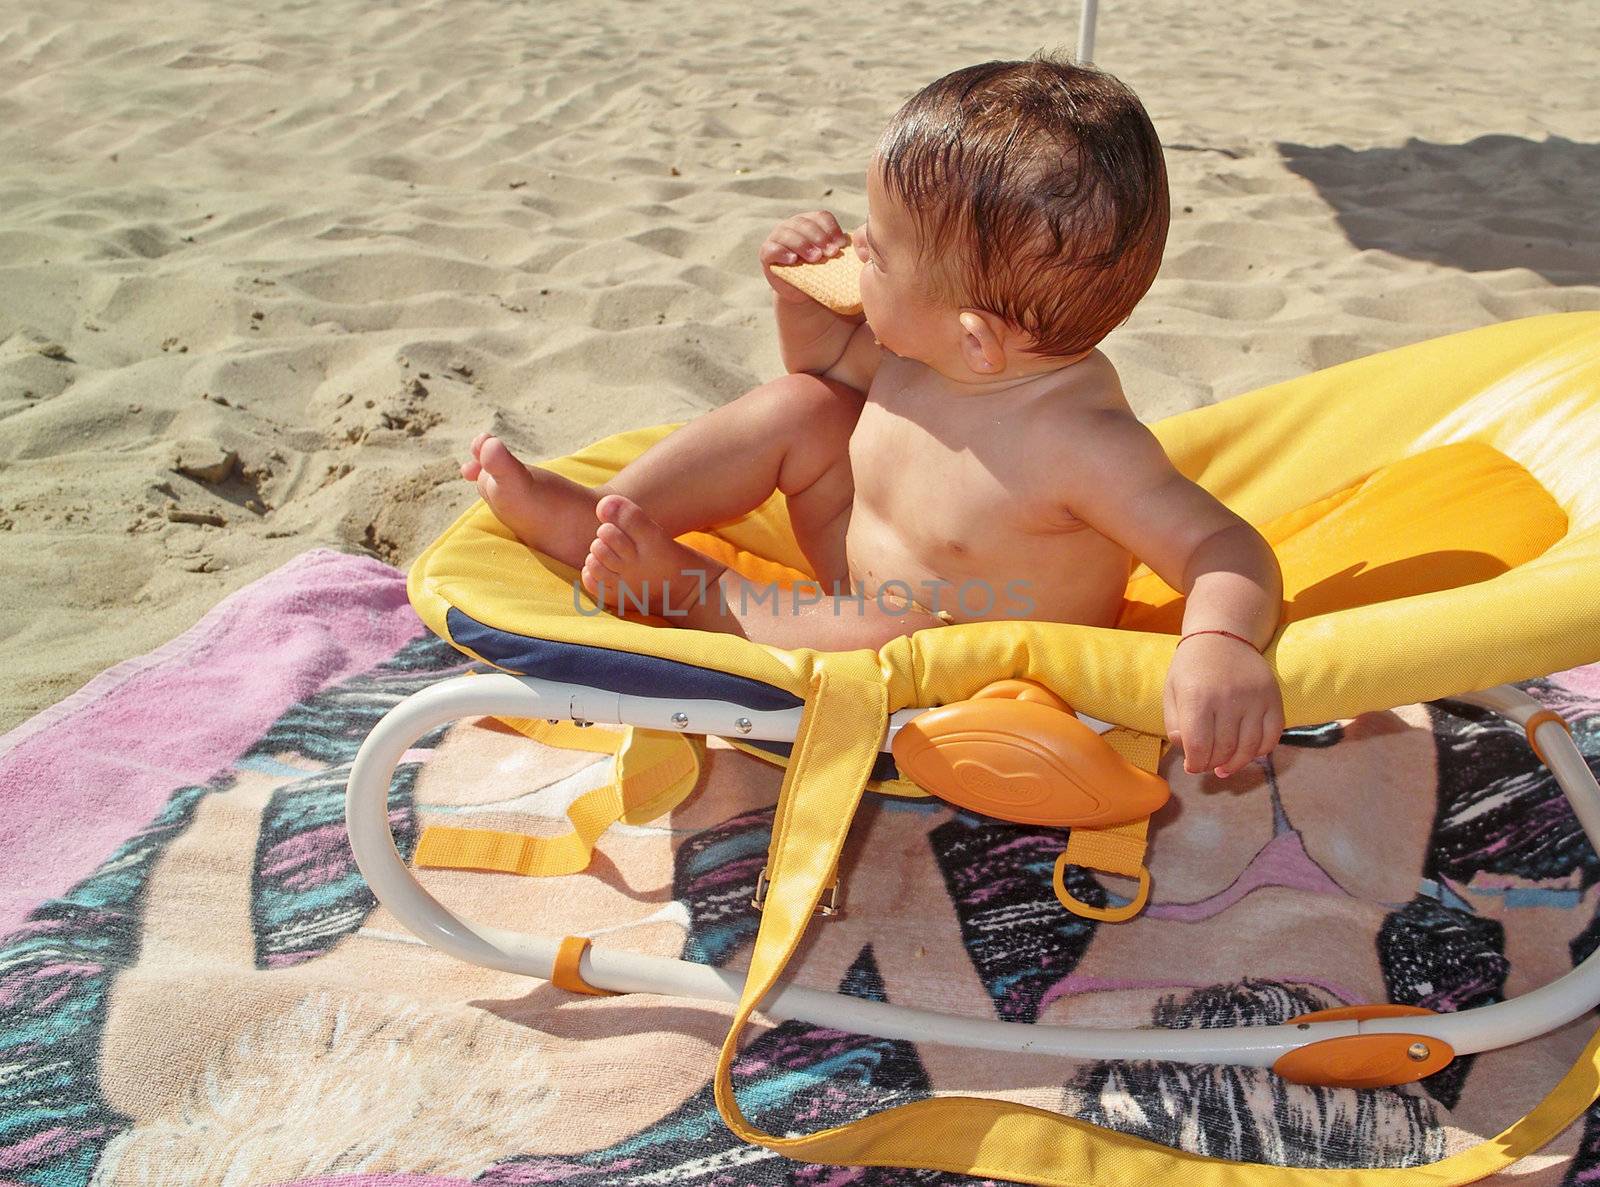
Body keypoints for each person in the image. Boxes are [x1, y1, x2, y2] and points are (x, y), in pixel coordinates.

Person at [460, 54, 1285, 780]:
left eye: (877, 252)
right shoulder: (930, 352)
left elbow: (1225, 547)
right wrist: (796, 298)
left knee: (896, 626)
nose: (855, 250)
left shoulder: (1084, 446)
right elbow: (819, 369)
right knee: (802, 409)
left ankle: (686, 589)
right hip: (853, 578)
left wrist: (1221, 642)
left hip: (952, 671)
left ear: (975, 337)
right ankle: (606, 517)